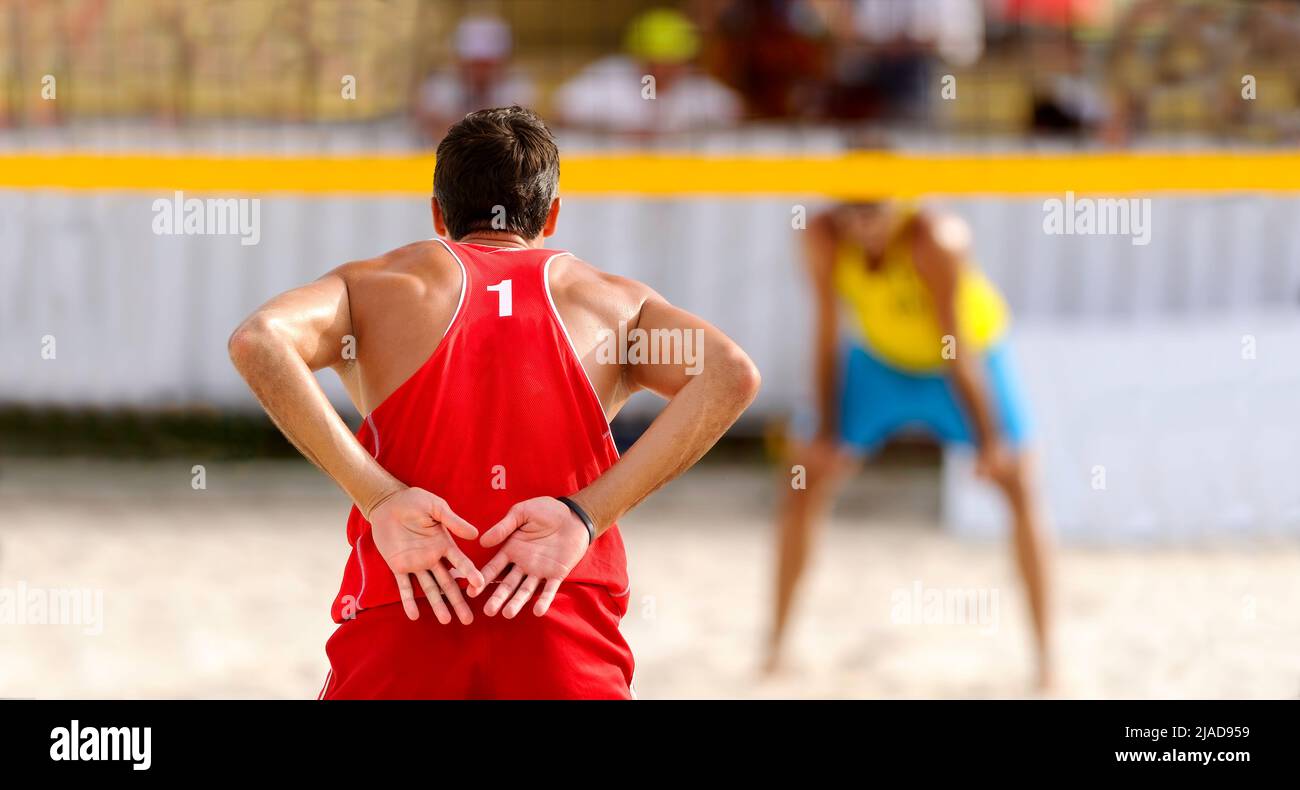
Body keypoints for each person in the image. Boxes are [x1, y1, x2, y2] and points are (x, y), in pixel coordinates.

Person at [228, 106, 760, 699]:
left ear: (438, 212)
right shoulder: (614, 304)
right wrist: (588, 515)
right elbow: (730, 375)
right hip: (558, 614)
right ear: (552, 215)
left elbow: (259, 341)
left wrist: (378, 496)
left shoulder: (376, 286)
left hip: (406, 606)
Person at [765, 201, 1054, 691]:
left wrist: (988, 443)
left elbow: (955, 342)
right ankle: (775, 650)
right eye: (852, 209)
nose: (861, 224)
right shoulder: (822, 233)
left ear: (899, 202)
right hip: (882, 361)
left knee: (1018, 483)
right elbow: (827, 329)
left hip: (962, 360)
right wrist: (826, 432)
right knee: (804, 478)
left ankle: (1047, 663)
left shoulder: (935, 238)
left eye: (873, 210)